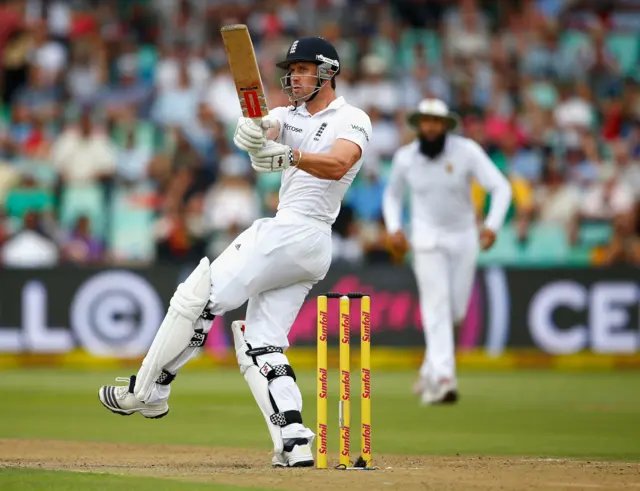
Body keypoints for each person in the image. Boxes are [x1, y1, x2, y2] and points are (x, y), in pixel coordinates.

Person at [98, 36, 372, 468]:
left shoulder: (352, 118)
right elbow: (268, 128)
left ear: (327, 72)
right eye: (292, 70)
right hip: (305, 246)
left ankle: (148, 389)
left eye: (303, 69)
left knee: (196, 297)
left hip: (300, 230)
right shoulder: (288, 114)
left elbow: (338, 163)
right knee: (261, 342)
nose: (294, 77)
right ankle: (294, 440)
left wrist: (288, 157)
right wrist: (253, 132)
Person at [382, 98, 511, 405]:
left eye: (435, 122)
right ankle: (444, 379)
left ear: (445, 125)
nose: (429, 128)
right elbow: (392, 197)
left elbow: (501, 187)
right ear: (418, 125)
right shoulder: (405, 158)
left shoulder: (466, 152)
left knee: (455, 312)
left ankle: (429, 370)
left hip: (464, 236)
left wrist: (492, 225)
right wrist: (393, 228)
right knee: (436, 306)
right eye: (424, 122)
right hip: (425, 239)